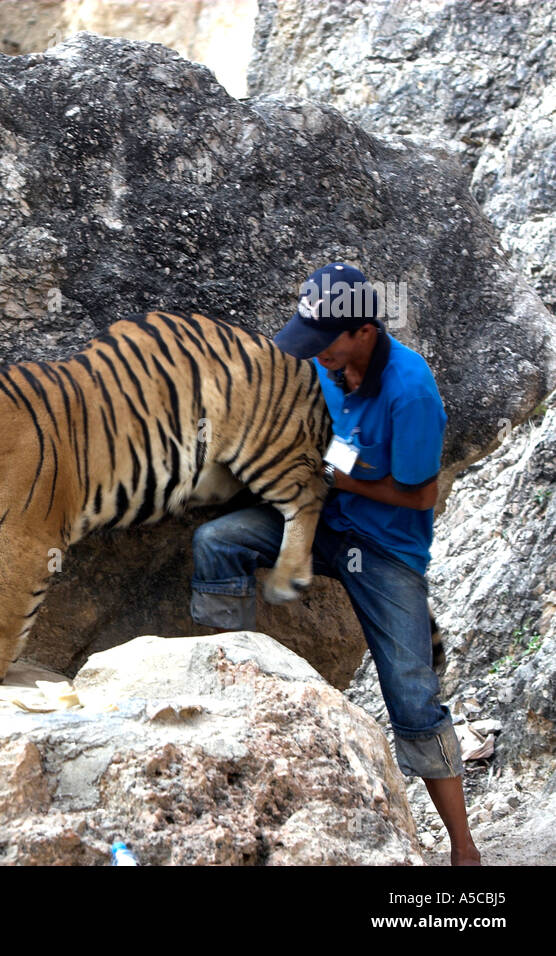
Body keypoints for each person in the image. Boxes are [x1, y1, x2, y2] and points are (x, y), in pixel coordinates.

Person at [189, 262, 481, 866]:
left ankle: (464, 847)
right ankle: (240, 697)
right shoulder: (324, 368)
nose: (316, 353)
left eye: (327, 342)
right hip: (320, 522)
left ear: (366, 331)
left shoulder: (411, 392)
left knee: (412, 694)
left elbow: (421, 495)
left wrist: (337, 477)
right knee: (218, 541)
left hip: (385, 549)